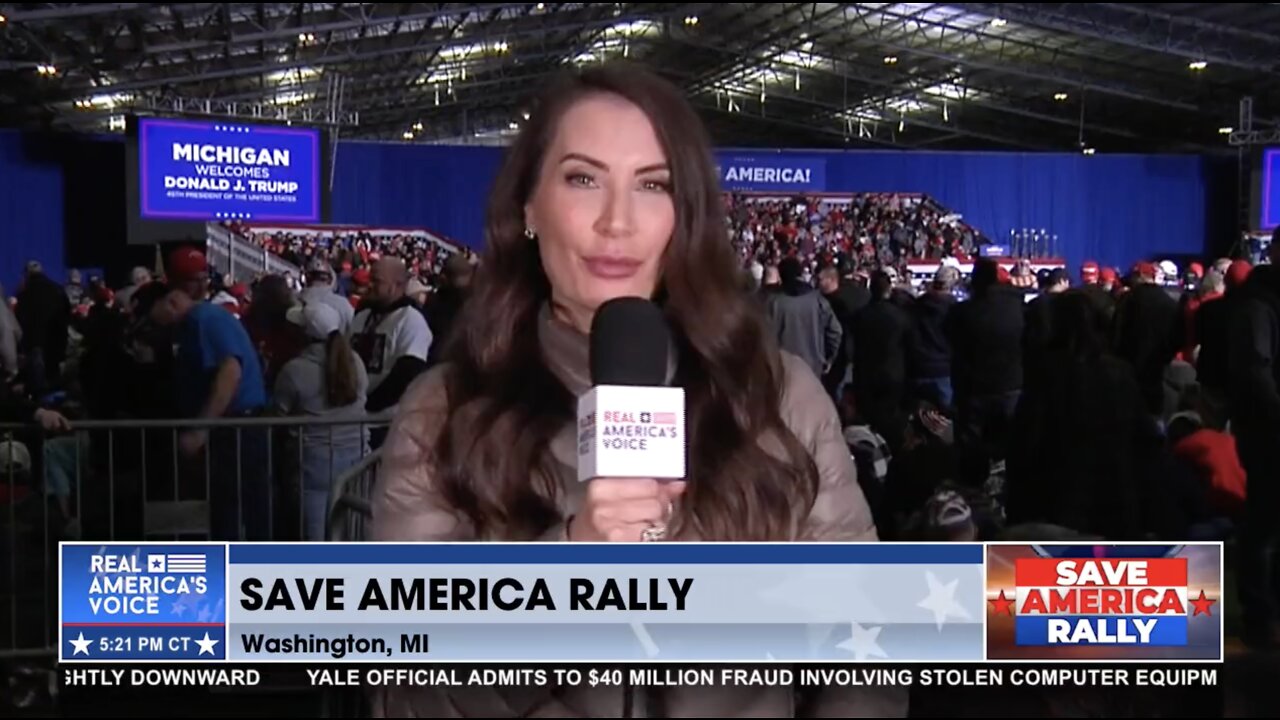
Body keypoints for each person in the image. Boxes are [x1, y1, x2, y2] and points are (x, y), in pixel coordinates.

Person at [371, 63, 895, 718]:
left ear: (685, 216)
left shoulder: (778, 396)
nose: (617, 221)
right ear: (529, 207)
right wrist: (567, 571)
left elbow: (869, 651)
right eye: (584, 178)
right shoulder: (442, 412)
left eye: (653, 185)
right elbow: (409, 690)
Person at [143, 283, 271, 540]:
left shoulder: (204, 320)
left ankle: (239, 571)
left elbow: (230, 372)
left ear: (171, 302)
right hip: (232, 428)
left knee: (235, 508)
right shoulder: (197, 323)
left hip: (237, 430)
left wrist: (201, 428)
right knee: (229, 507)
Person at [274, 302, 369, 541]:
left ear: (304, 335)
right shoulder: (354, 361)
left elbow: (278, 414)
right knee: (350, 535)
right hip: (357, 459)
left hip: (313, 464)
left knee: (314, 540)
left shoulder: (294, 370)